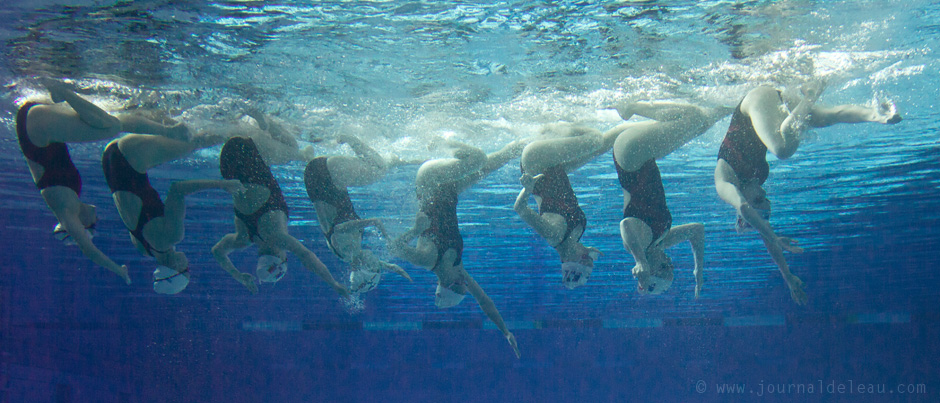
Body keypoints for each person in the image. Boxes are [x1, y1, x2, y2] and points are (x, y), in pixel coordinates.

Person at [714, 81, 901, 304]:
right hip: (772, 108)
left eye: (759, 198)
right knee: (826, 118)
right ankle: (877, 114)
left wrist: (773, 236)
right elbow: (765, 235)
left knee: (782, 149)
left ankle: (811, 94)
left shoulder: (725, 180)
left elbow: (745, 209)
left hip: (754, 101)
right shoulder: (755, 179)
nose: (763, 191)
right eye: (767, 197)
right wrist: (788, 276)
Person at [15, 78, 188, 284]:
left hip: (36, 128)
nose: (96, 217)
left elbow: (88, 250)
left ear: (81, 226)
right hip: (41, 130)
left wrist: (118, 270)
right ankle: (161, 122)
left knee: (110, 126)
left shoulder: (65, 209)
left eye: (93, 225)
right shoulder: (69, 200)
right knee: (116, 122)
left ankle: (61, 91)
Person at [390, 138, 527, 359]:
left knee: (478, 159)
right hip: (450, 191)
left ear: (446, 283)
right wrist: (505, 331)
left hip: (429, 181)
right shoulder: (457, 269)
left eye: (460, 283)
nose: (465, 280)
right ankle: (526, 138)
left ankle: (441, 142)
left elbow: (393, 247)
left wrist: (415, 230)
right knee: (498, 160)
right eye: (465, 284)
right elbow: (484, 300)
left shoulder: (427, 259)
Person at [613, 100, 730, 298]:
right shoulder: (660, 241)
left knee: (693, 119)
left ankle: (630, 106)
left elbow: (626, 225)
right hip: (642, 155)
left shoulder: (639, 243)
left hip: (632, 155)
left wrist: (639, 260)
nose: (669, 260)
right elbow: (697, 230)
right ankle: (733, 106)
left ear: (651, 269)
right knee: (703, 123)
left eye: (665, 266)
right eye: (671, 266)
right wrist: (698, 269)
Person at [102, 129, 242, 294]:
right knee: (171, 130)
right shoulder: (144, 249)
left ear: (176, 268)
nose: (188, 265)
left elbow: (177, 189)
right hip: (110, 161)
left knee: (197, 141)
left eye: (187, 270)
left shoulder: (171, 237)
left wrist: (222, 185)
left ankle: (242, 129)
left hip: (129, 157)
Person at [211, 136, 350, 297]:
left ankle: (300, 152)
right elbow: (217, 252)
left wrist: (334, 284)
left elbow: (307, 257)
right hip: (228, 165)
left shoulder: (277, 238)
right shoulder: (242, 238)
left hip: (249, 156)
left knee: (292, 148)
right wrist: (238, 276)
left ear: (282, 259)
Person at [514, 123, 625, 289]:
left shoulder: (554, 235)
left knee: (595, 141)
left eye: (585, 259)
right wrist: (586, 251)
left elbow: (520, 209)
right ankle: (632, 125)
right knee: (605, 144)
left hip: (536, 161)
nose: (588, 256)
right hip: (555, 166)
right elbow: (573, 249)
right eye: (590, 259)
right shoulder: (573, 239)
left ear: (569, 260)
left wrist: (527, 189)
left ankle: (559, 124)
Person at [304, 134, 412, 294]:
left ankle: (348, 136)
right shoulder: (350, 255)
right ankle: (318, 141)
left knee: (378, 170)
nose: (375, 262)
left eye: (373, 266)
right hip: (319, 176)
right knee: (379, 167)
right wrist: (392, 267)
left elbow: (339, 230)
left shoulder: (347, 249)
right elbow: (370, 261)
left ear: (361, 266)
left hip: (326, 175)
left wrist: (377, 227)